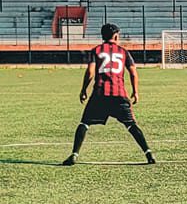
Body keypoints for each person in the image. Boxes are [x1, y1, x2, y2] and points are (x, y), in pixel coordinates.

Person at [63, 23, 154, 165]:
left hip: (100, 95)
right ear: (116, 36)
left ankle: (74, 155)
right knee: (131, 125)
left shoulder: (97, 50)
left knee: (84, 123)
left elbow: (90, 72)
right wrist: (135, 92)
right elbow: (133, 73)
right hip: (120, 95)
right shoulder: (123, 52)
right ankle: (149, 154)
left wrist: (83, 90)